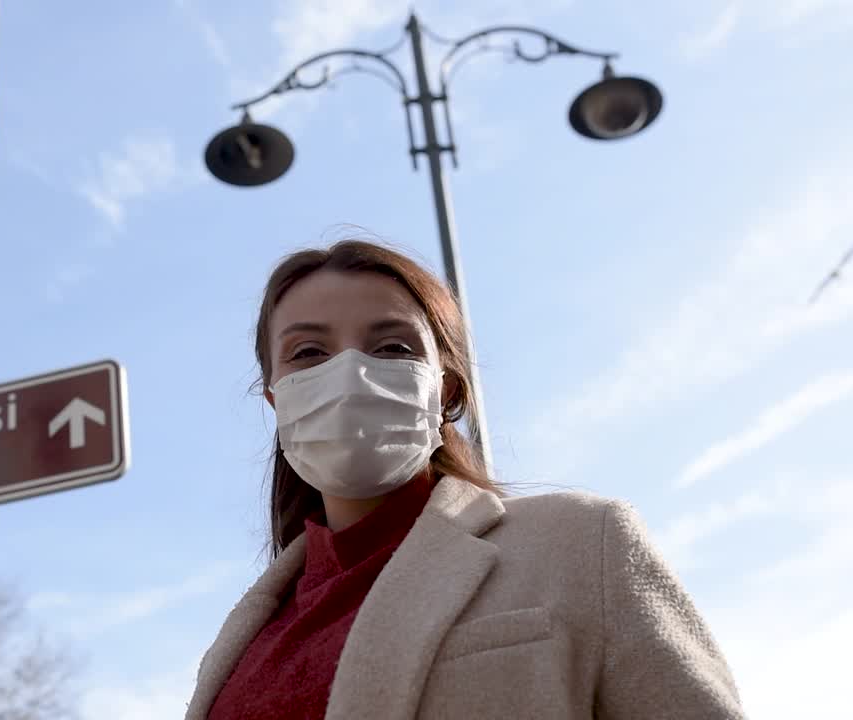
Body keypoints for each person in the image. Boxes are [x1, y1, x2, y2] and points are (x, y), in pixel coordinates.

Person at [185, 239, 745, 719]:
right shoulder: (244, 641)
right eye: (308, 352)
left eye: (392, 348)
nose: (351, 373)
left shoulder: (580, 542)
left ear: (446, 392)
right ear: (275, 399)